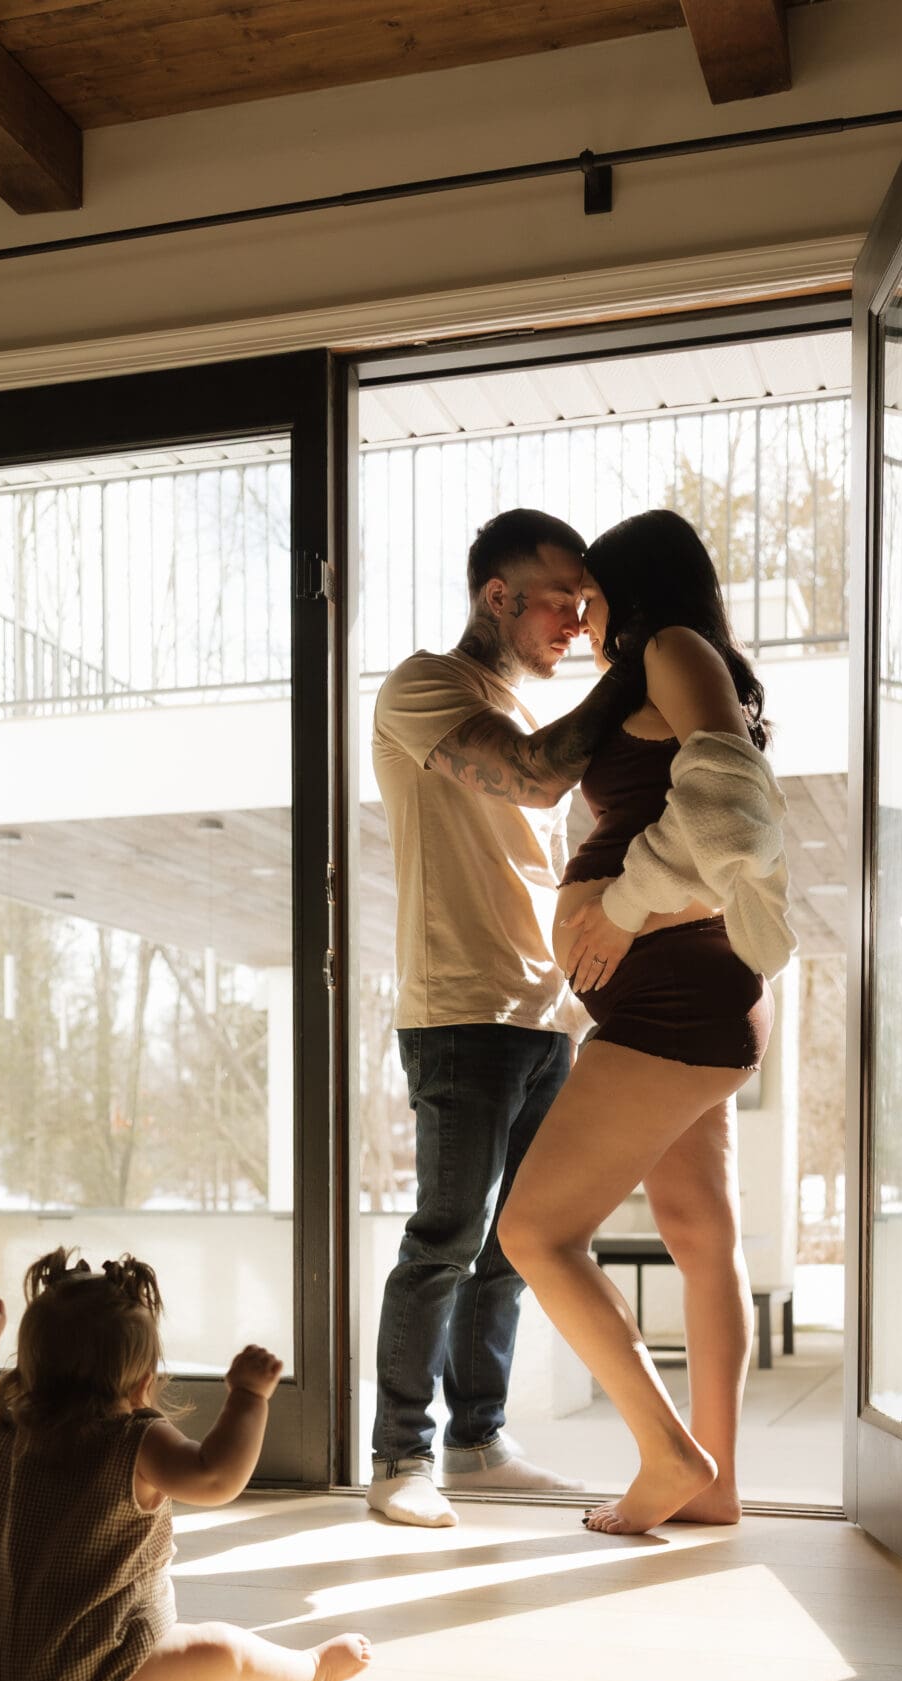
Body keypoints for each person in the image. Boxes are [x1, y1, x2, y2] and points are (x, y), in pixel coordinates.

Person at [496, 509, 796, 1536]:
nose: (583, 619)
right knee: (699, 1230)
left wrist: (618, 914)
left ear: (639, 587)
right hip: (680, 994)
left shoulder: (673, 647)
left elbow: (735, 814)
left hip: (675, 994)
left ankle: (670, 1452)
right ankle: (714, 1484)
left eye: (593, 595)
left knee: (533, 1230)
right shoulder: (672, 662)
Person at [367, 506, 643, 1528]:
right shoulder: (426, 686)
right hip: (460, 1009)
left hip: (541, 1011)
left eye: (588, 605)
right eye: (564, 602)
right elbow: (530, 778)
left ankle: (479, 1441)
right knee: (445, 1233)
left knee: (512, 1243)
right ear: (498, 596)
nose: (579, 622)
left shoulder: (530, 706)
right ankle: (400, 1455)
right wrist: (644, 662)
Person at [0, 1249, 371, 1681]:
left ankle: (307, 1667)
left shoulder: (10, 1428)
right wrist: (248, 1400)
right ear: (144, 1377)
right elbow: (215, 1479)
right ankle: (310, 1668)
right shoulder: (135, 1439)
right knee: (225, 1650)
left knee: (207, 1647)